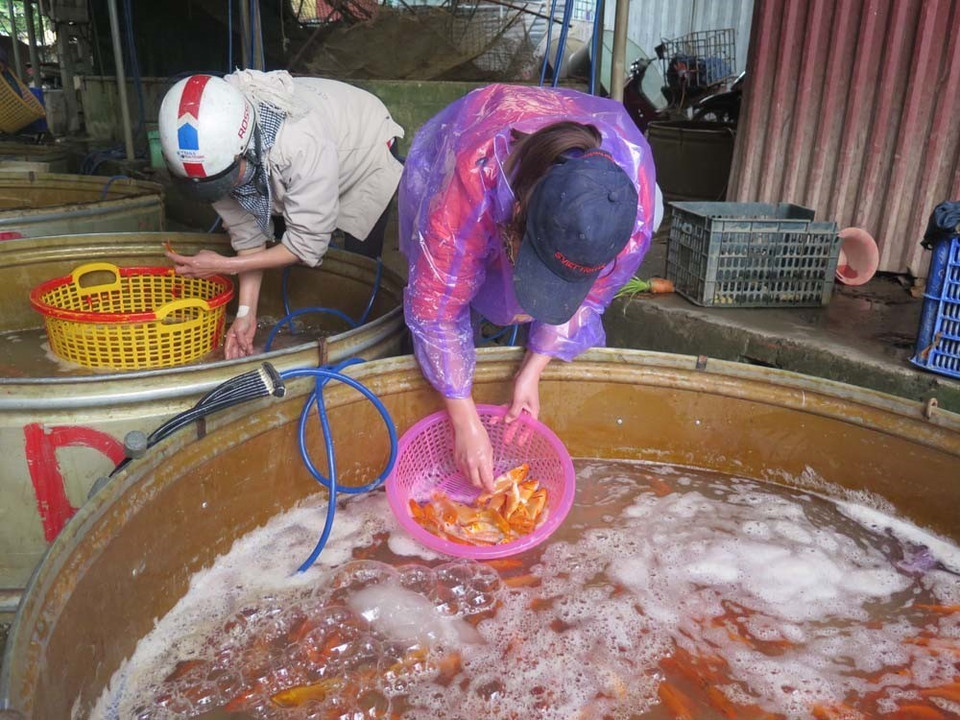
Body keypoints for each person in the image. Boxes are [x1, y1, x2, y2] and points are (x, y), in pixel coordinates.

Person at [400, 83, 661, 493]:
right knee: (455, 294)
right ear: (516, 212)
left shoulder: (628, 213)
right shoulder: (472, 175)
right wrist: (464, 419)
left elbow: (591, 297)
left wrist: (533, 370)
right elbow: (436, 306)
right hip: (476, 156)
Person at [159, 70, 404, 359]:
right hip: (310, 149)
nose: (221, 193)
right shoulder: (212, 158)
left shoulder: (299, 141)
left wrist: (224, 265)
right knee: (294, 211)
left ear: (243, 151)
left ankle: (363, 349)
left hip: (364, 141)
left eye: (224, 182)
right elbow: (247, 236)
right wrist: (246, 314)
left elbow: (307, 245)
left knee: (360, 260)